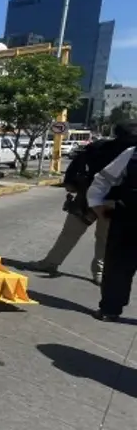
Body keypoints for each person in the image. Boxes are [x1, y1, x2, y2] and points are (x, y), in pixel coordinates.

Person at [29, 121, 137, 285]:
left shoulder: (119, 150)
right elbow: (79, 162)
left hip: (102, 199)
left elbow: (78, 162)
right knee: (97, 237)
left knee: (93, 236)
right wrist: (71, 181)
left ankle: (55, 264)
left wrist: (70, 182)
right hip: (96, 199)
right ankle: (89, 271)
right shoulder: (114, 149)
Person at [87, 126, 137, 321]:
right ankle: (110, 309)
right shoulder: (132, 154)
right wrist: (97, 204)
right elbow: (103, 179)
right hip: (129, 220)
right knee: (117, 268)